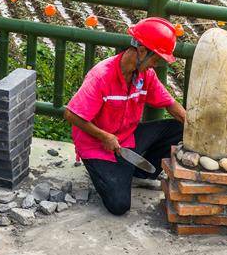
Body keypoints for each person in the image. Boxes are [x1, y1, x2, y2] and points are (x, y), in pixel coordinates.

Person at [63, 16, 186, 215]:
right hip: (97, 145)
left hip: (126, 138)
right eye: (155, 59)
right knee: (119, 205)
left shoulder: (146, 75)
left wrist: (193, 125)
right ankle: (108, 171)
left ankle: (138, 173)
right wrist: (104, 136)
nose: (156, 65)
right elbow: (71, 114)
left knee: (179, 128)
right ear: (142, 51)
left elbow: (170, 104)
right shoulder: (102, 76)